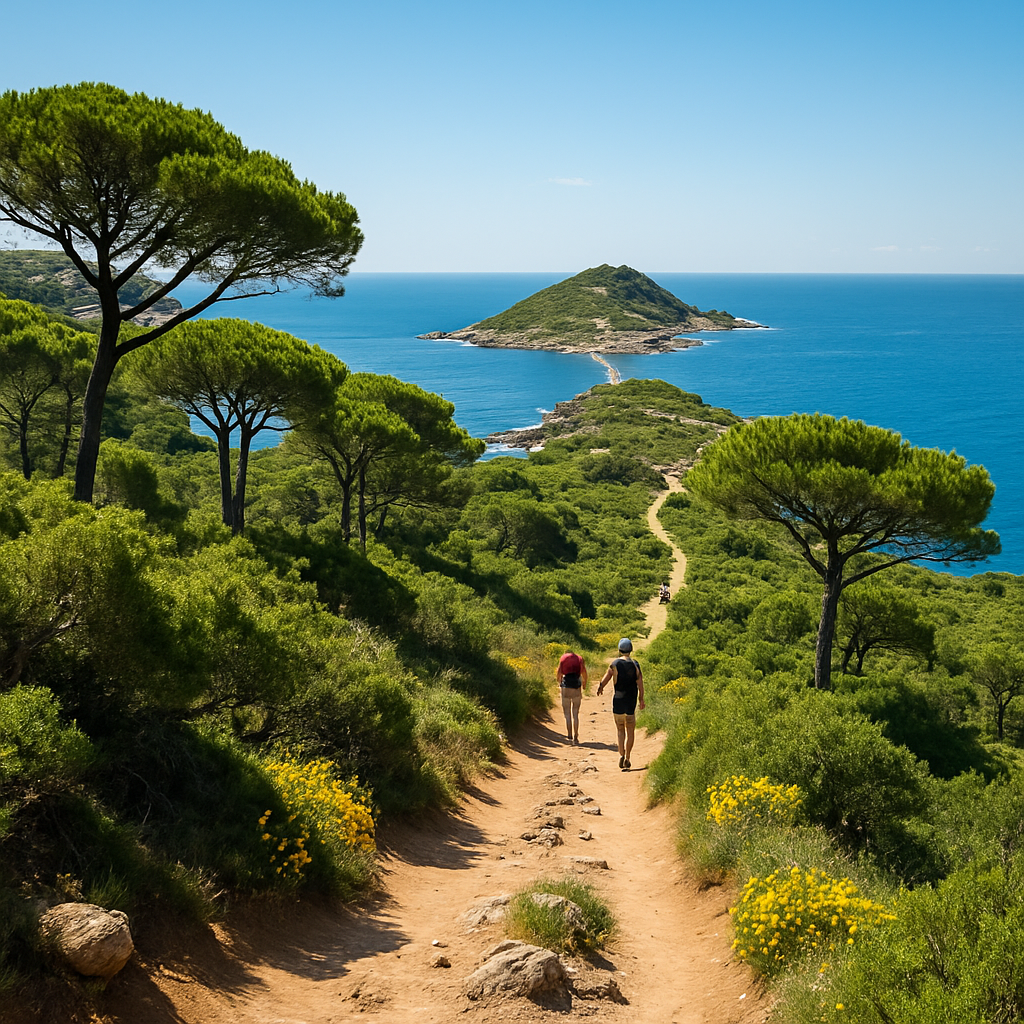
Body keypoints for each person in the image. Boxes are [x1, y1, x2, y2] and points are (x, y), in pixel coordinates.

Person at [596, 638, 645, 769]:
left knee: (620, 730)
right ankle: (628, 757)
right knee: (630, 730)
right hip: (630, 702)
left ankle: (621, 754)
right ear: (631, 649)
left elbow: (606, 678)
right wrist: (641, 699)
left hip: (618, 701)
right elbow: (640, 684)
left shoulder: (615, 664)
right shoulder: (635, 665)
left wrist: (600, 687)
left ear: (619, 649)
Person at [555, 650, 588, 744]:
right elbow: (584, 673)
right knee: (575, 713)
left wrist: (559, 683)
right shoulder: (579, 659)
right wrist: (584, 684)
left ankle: (569, 734)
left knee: (567, 713)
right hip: (576, 686)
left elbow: (559, 673)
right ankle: (576, 736)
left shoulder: (563, 659)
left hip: (566, 686)